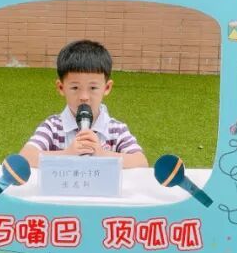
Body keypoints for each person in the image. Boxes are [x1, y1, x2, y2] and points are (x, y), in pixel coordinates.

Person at [20, 39, 148, 169]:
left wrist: (102, 154)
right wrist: (67, 153)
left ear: (107, 88)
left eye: (93, 88)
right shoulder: (53, 127)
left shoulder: (116, 129)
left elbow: (141, 161)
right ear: (61, 88)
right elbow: (25, 157)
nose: (84, 97)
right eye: (75, 88)